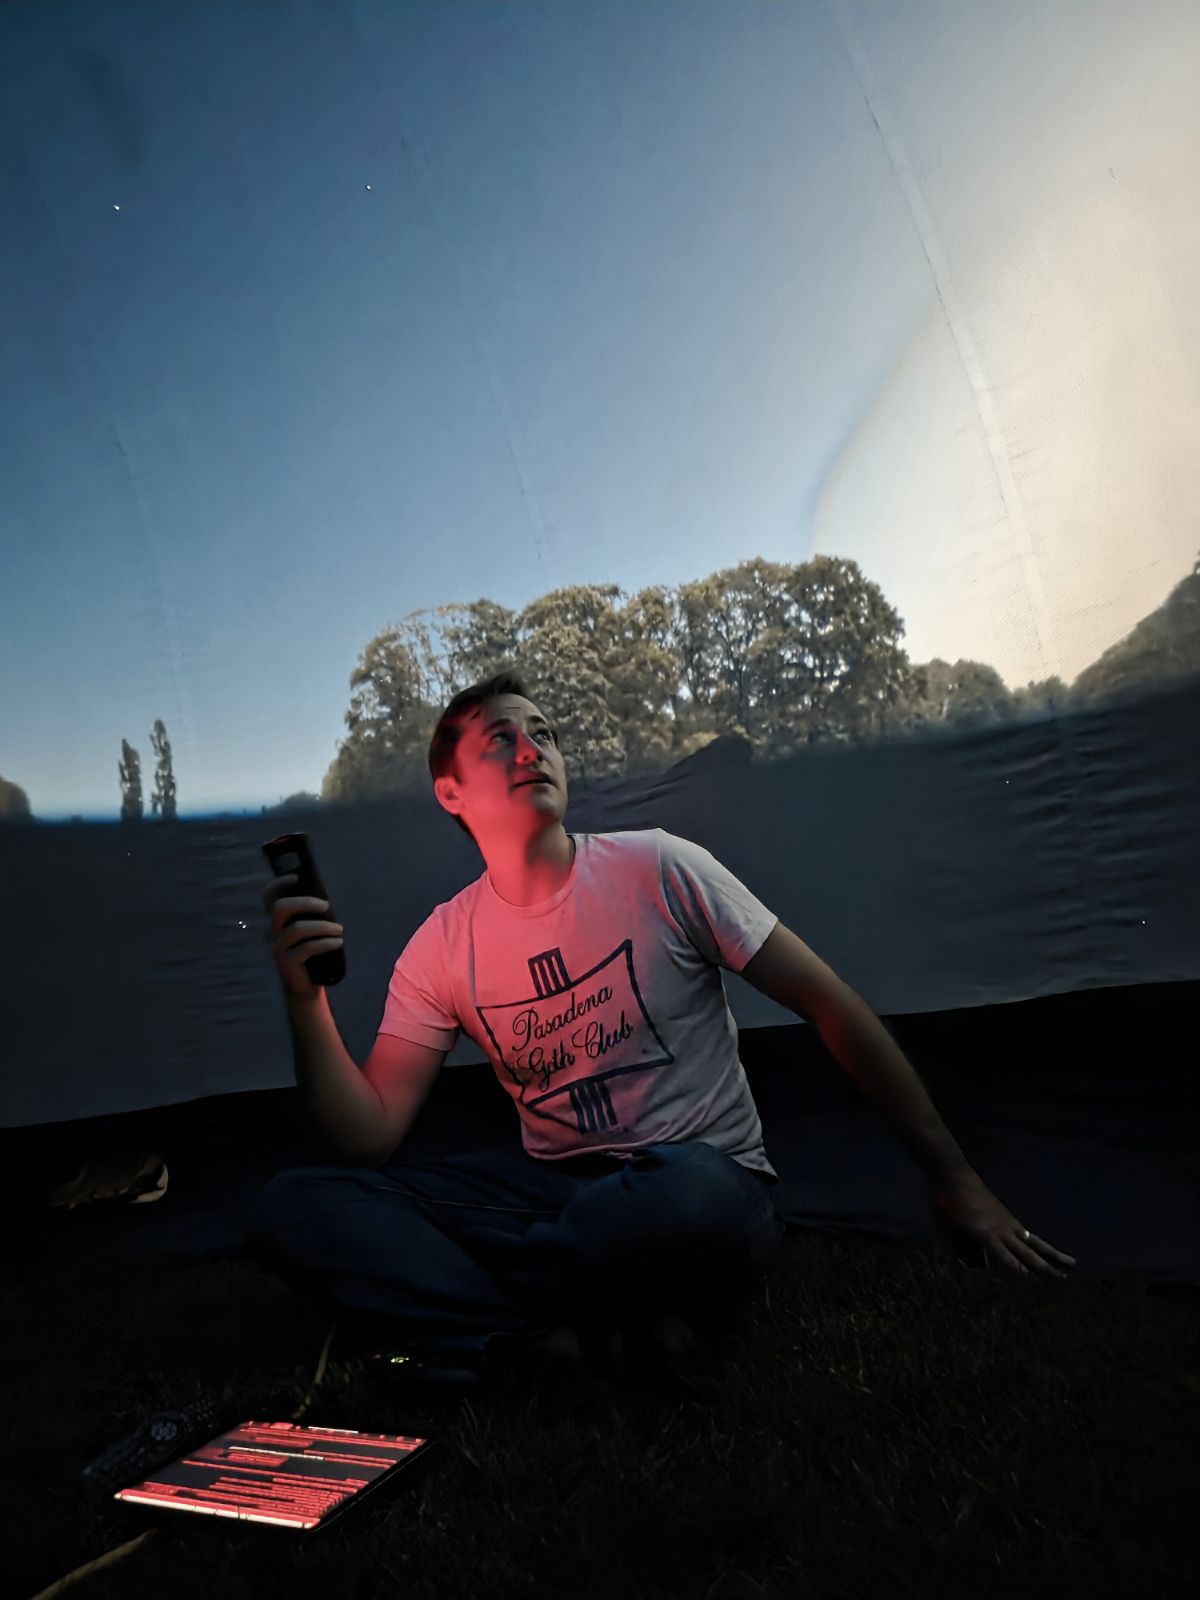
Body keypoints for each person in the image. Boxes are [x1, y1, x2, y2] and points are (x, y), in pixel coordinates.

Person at [249, 670, 1074, 1385]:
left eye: (544, 734)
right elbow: (369, 1137)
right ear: (452, 793)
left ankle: (499, 1321)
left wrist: (953, 1178)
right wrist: (303, 1003)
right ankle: (567, 1332)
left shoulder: (658, 866)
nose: (534, 749)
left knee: (685, 1204)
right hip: (556, 1193)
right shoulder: (441, 944)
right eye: (501, 741)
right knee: (297, 1204)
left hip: (700, 1181)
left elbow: (830, 1003)